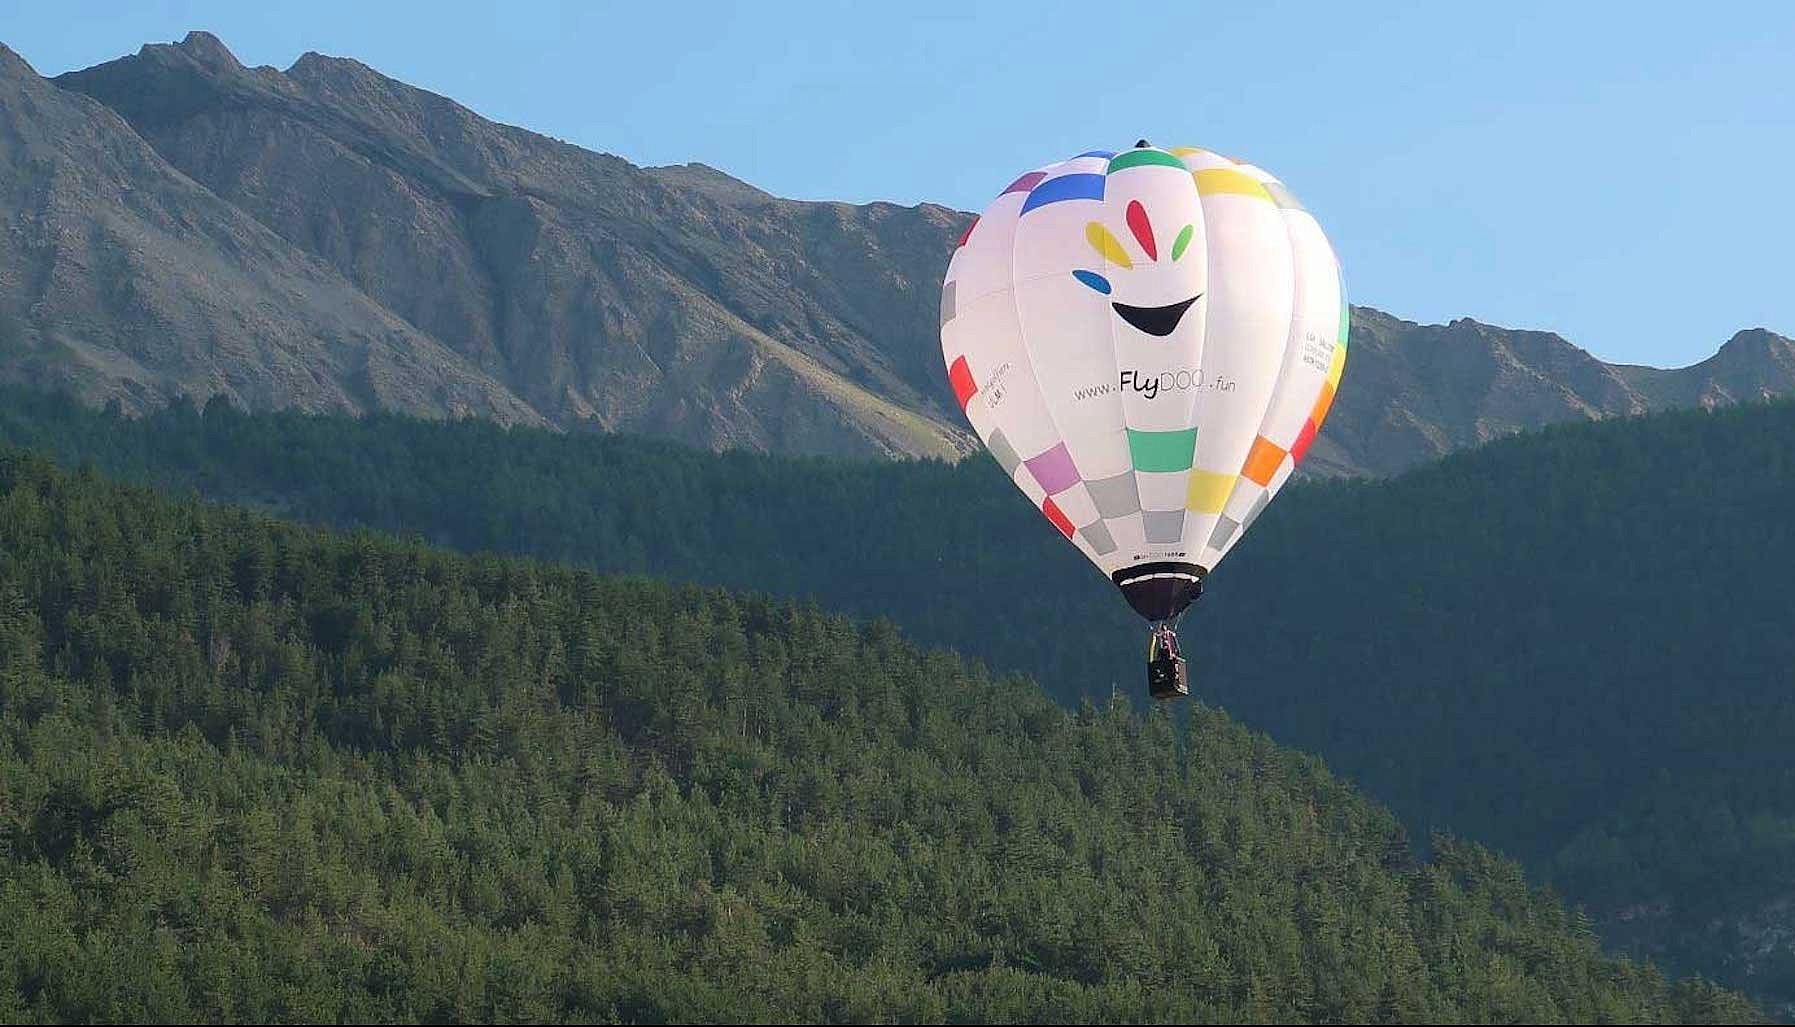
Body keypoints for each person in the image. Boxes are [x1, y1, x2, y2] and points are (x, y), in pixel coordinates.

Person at [1147, 623, 1189, 699]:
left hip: (1167, 661)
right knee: (1164, 668)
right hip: (1166, 661)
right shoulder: (1162, 640)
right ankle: (1170, 682)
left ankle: (1172, 682)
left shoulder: (1168, 638)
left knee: (1167, 668)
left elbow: (1176, 650)